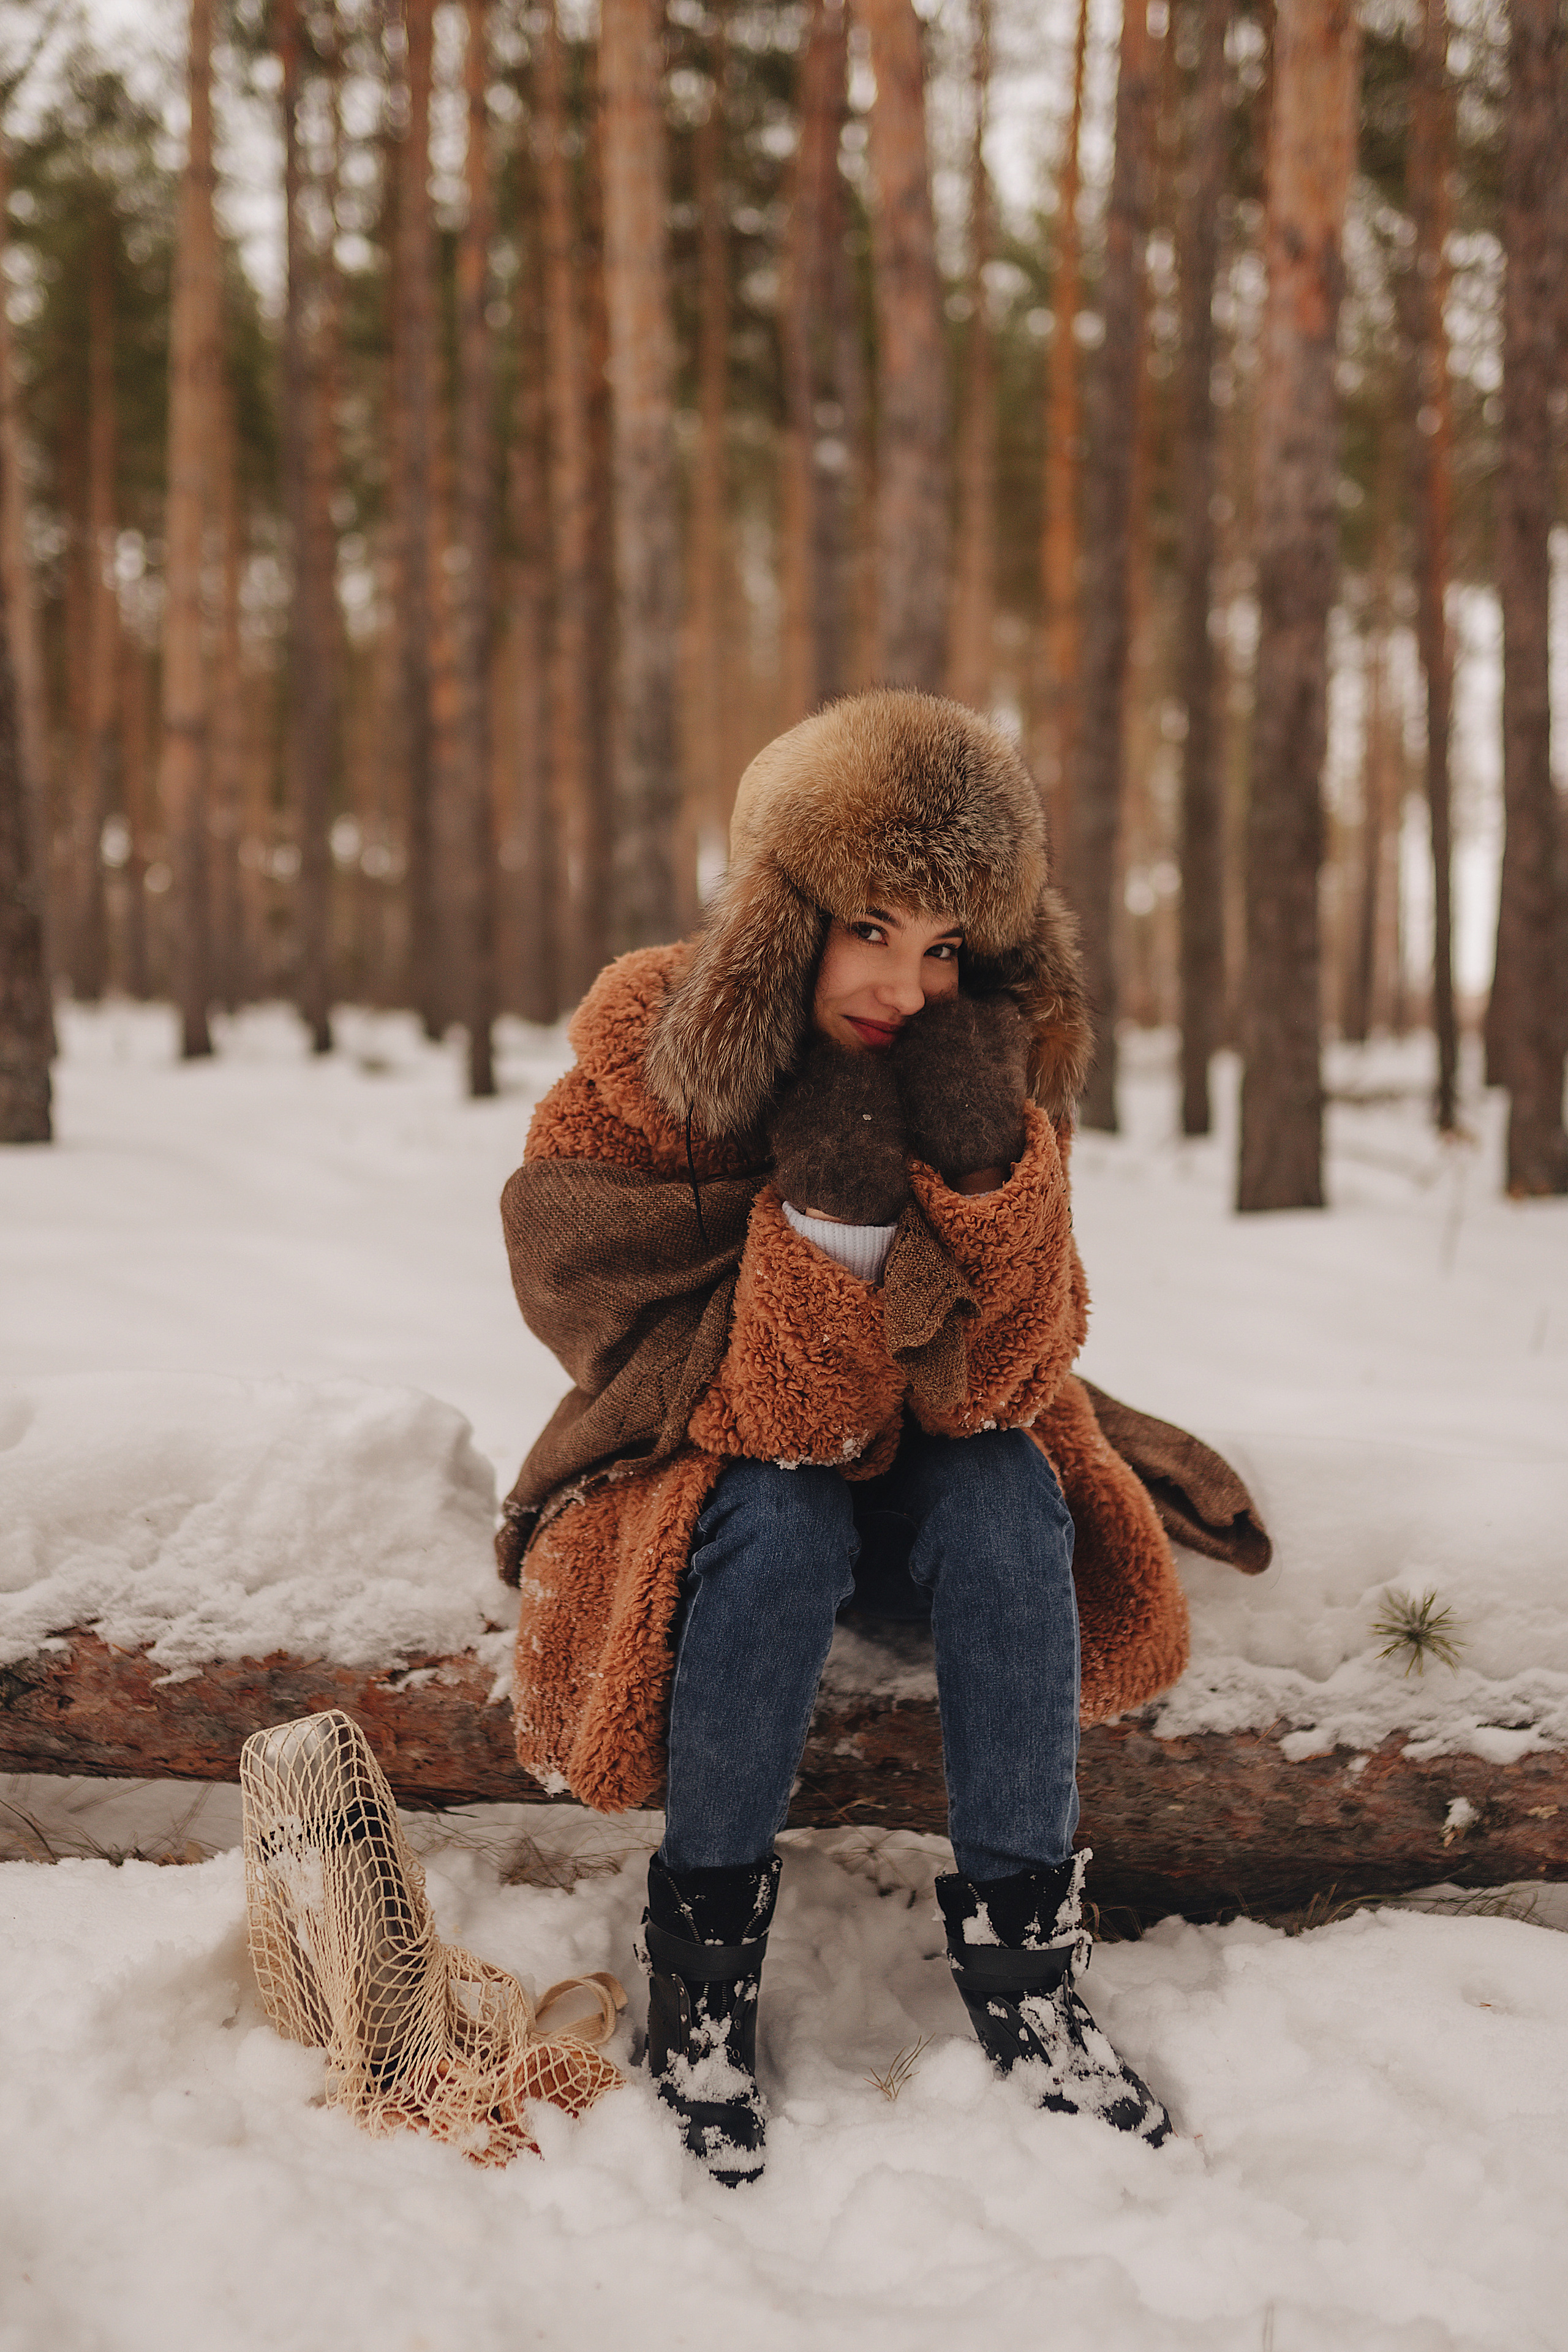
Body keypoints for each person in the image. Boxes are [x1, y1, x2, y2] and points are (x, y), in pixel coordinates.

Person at [496, 690, 1196, 2184]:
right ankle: (699, 1978)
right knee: (791, 1507)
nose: (904, 981)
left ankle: (1030, 1978)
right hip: (706, 1482)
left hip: (933, 1467)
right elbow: (712, 1383)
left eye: (946, 945)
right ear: (775, 911)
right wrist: (827, 1203)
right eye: (870, 924)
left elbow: (1005, 1374)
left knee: (1008, 1486)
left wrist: (979, 1159)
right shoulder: (638, 1074)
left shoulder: (971, 1070)